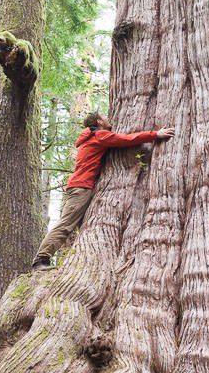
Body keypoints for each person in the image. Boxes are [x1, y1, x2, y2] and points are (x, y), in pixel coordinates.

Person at [32, 112, 175, 268]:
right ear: (99, 121)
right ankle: (41, 259)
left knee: (82, 227)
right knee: (66, 224)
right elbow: (127, 139)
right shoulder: (99, 136)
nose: (108, 120)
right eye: (104, 118)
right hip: (81, 187)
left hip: (79, 185)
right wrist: (155, 134)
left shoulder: (89, 137)